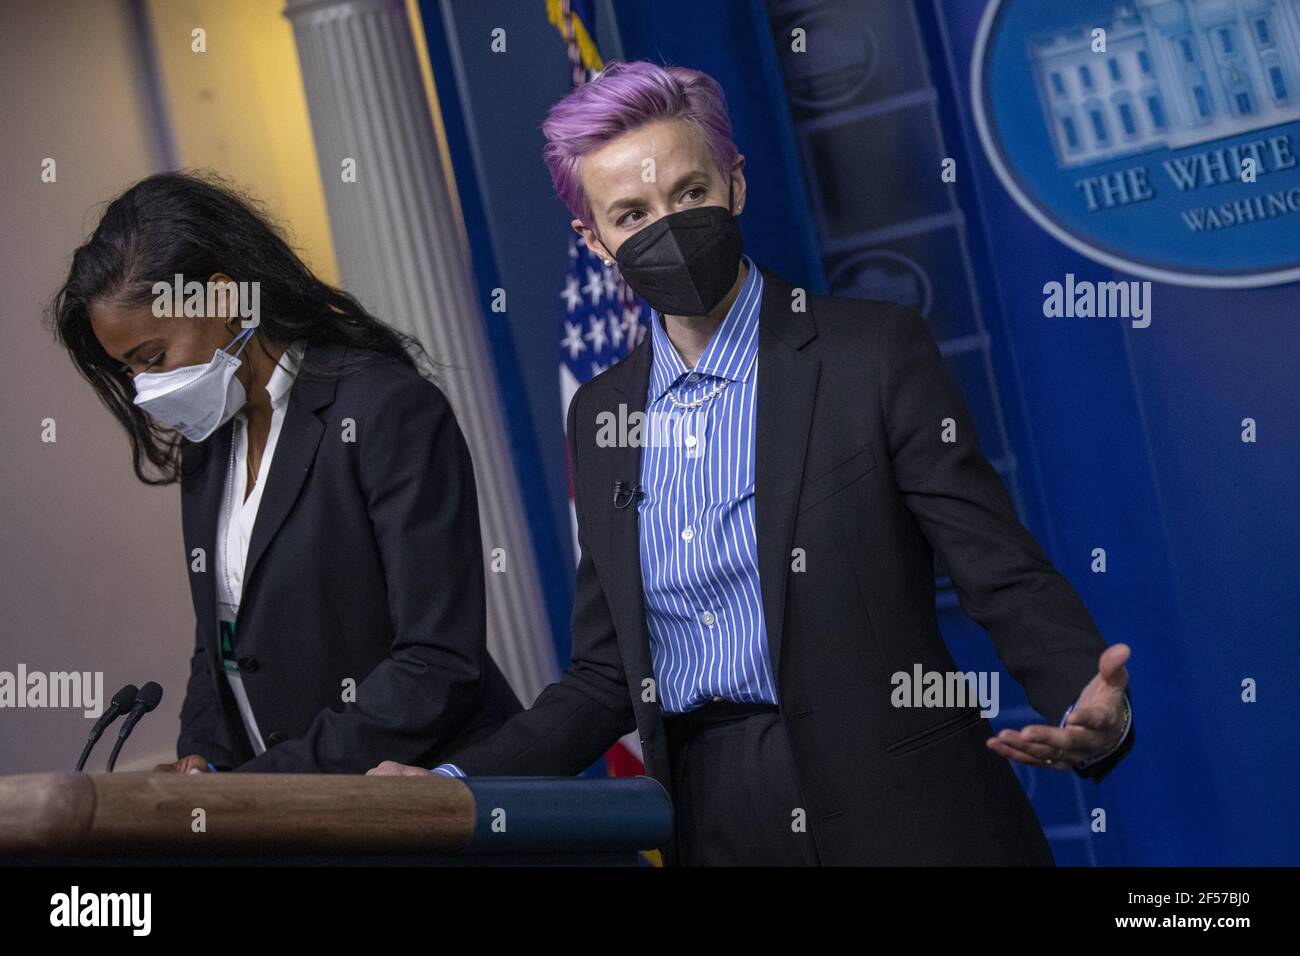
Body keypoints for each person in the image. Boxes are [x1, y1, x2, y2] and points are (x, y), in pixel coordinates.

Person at [369, 60, 1134, 865]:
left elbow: (997, 570)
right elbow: (604, 676)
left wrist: (1084, 696)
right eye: (631, 214)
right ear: (594, 241)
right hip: (718, 820)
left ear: (734, 184)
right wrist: (457, 780)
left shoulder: (870, 353)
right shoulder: (601, 415)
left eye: (689, 194)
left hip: (907, 813)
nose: (666, 226)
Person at [51, 171, 521, 773]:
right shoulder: (209, 443)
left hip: (422, 805)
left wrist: (266, 788)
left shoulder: (383, 409)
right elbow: (220, 638)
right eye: (130, 370)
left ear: (222, 300)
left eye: (153, 357)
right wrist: (204, 755)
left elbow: (435, 664)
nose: (146, 388)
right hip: (287, 816)